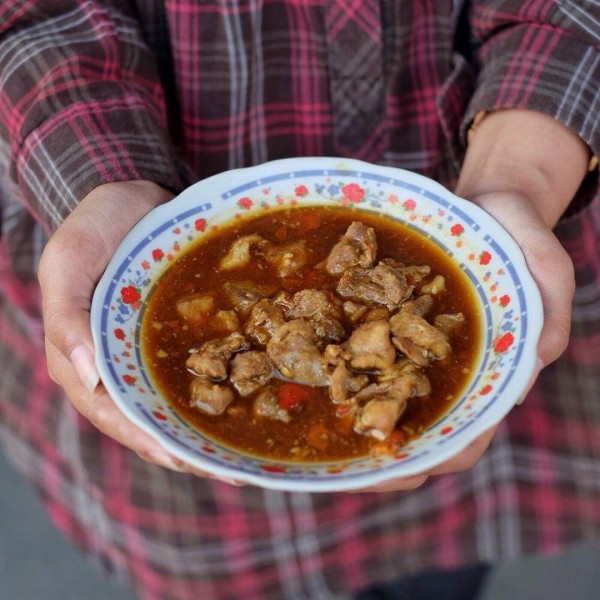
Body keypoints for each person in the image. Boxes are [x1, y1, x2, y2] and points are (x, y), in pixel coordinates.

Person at [0, 1, 598, 598]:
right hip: (197, 515)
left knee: (439, 572)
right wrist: (100, 172)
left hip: (477, 424)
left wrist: (516, 179)